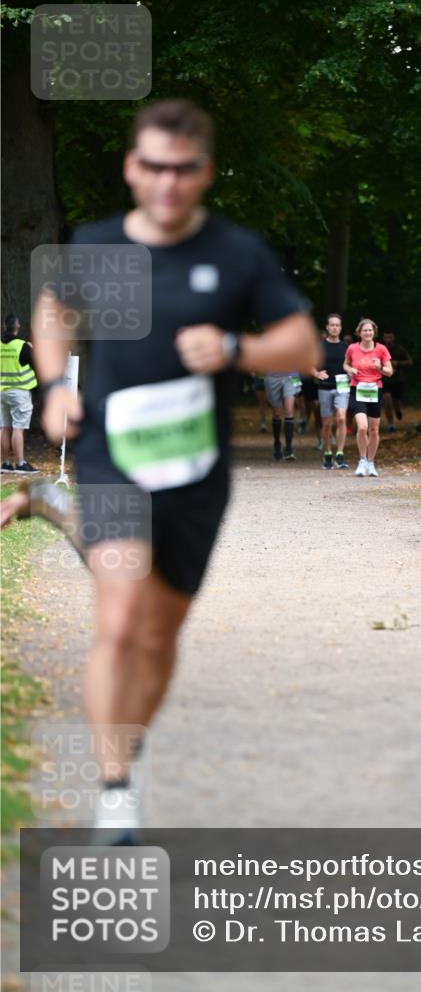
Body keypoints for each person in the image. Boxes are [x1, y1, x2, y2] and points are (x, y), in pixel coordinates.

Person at [2, 99, 318, 841]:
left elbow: (302, 343)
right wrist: (54, 391)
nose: (167, 184)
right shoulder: (100, 245)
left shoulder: (235, 253)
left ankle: (128, 743)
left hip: (195, 470)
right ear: (131, 168)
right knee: (116, 622)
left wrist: (238, 350)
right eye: (152, 167)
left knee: (157, 636)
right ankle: (115, 789)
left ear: (203, 172)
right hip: (112, 457)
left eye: (182, 169)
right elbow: (51, 312)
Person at [344, 318, 393, 477]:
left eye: (370, 330)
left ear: (374, 332)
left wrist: (379, 367)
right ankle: (362, 460)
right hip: (357, 389)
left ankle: (371, 463)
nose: (368, 333)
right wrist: (350, 370)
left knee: (373, 429)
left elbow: (389, 372)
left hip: (374, 390)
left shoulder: (381, 349)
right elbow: (345, 364)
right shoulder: (352, 348)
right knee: (362, 427)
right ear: (359, 332)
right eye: (365, 330)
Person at [0, 314, 40, 473]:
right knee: (18, 428)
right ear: (18, 327)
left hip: (1, 392)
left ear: (4, 326)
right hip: (19, 392)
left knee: (4, 427)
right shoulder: (23, 346)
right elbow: (38, 364)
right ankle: (21, 464)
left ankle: (5, 464)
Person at [312, 313, 350, 469]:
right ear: (327, 327)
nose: (335, 327)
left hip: (342, 387)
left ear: (340, 328)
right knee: (326, 423)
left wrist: (351, 371)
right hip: (325, 388)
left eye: (337, 325)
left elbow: (352, 364)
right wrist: (317, 373)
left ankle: (340, 454)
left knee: (341, 417)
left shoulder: (347, 347)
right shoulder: (319, 347)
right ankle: (327, 452)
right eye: (332, 325)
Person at [265, 369, 302, 460]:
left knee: (289, 411)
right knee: (276, 413)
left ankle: (288, 448)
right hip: (273, 376)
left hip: (291, 375)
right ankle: (277, 443)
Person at [381, 330, 412, 432]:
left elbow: (410, 362)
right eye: (386, 337)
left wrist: (397, 363)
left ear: (393, 338)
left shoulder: (400, 350)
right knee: (386, 398)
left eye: (390, 337)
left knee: (396, 401)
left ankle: (398, 409)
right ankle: (391, 424)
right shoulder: (380, 349)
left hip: (398, 380)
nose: (388, 340)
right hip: (385, 380)